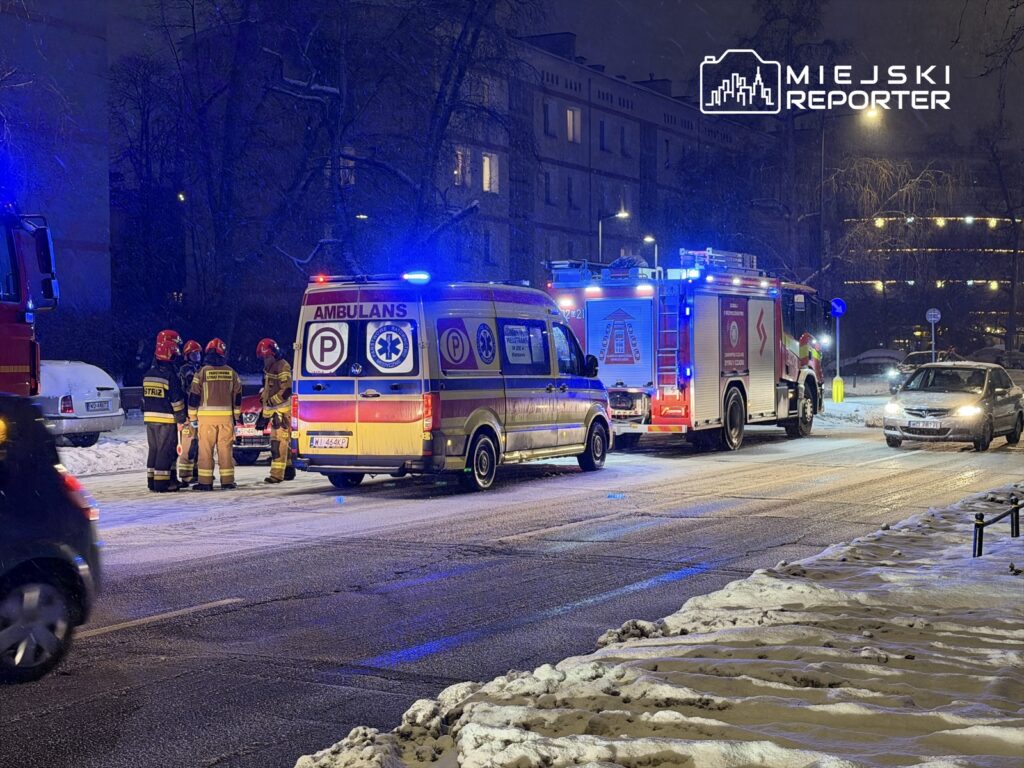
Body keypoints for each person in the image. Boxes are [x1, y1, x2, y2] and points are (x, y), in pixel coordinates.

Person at [188, 338, 242, 490]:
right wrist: (236, 416)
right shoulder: (232, 373)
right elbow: (237, 397)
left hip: (206, 420)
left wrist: (192, 417)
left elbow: (193, 397)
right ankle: (228, 481)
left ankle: (205, 483)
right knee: (225, 450)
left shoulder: (202, 373)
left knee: (205, 450)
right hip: (226, 419)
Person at [142, 330, 186, 492]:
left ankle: (152, 481)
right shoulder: (169, 375)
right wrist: (181, 417)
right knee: (164, 450)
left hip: (150, 419)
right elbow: (176, 400)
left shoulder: (148, 374)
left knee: (153, 450)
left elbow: (144, 399)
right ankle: (161, 484)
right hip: (166, 419)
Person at [255, 338, 295, 483]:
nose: (264, 360)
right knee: (285, 443)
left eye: (266, 357)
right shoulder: (269, 368)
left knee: (277, 444)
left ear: (273, 354)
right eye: (263, 358)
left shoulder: (282, 366)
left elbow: (287, 390)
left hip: (282, 412)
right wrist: (263, 414)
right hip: (275, 412)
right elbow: (268, 391)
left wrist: (271, 402)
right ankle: (288, 469)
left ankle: (276, 475)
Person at [177, 340, 203, 486]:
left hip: (200, 412)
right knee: (189, 444)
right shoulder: (185, 370)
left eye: (198, 353)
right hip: (189, 411)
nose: (197, 356)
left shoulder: (201, 369)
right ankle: (186, 475)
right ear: (187, 356)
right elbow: (187, 391)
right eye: (193, 354)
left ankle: (196, 472)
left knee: (198, 444)